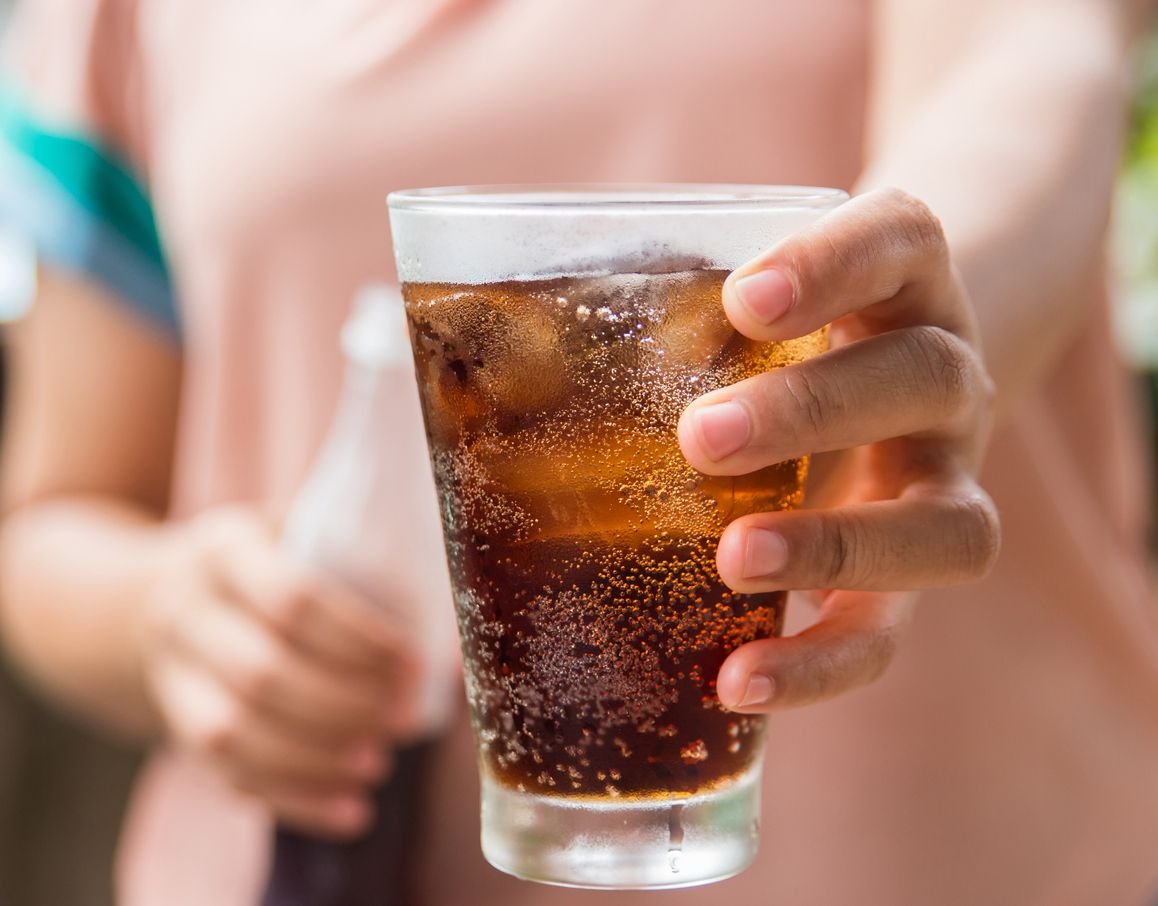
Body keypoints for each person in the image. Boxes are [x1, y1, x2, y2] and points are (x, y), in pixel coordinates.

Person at [0, 1, 1155, 904]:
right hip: (318, 868)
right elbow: (54, 513)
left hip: (961, 862)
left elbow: (1022, 82)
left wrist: (933, 312)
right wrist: (167, 620)